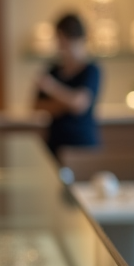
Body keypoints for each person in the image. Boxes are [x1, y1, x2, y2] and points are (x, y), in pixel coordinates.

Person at [34, 12, 101, 157]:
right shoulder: (53, 70)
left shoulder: (91, 70)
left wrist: (52, 88)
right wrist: (67, 103)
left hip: (83, 145)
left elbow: (79, 104)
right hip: (55, 145)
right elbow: (37, 106)